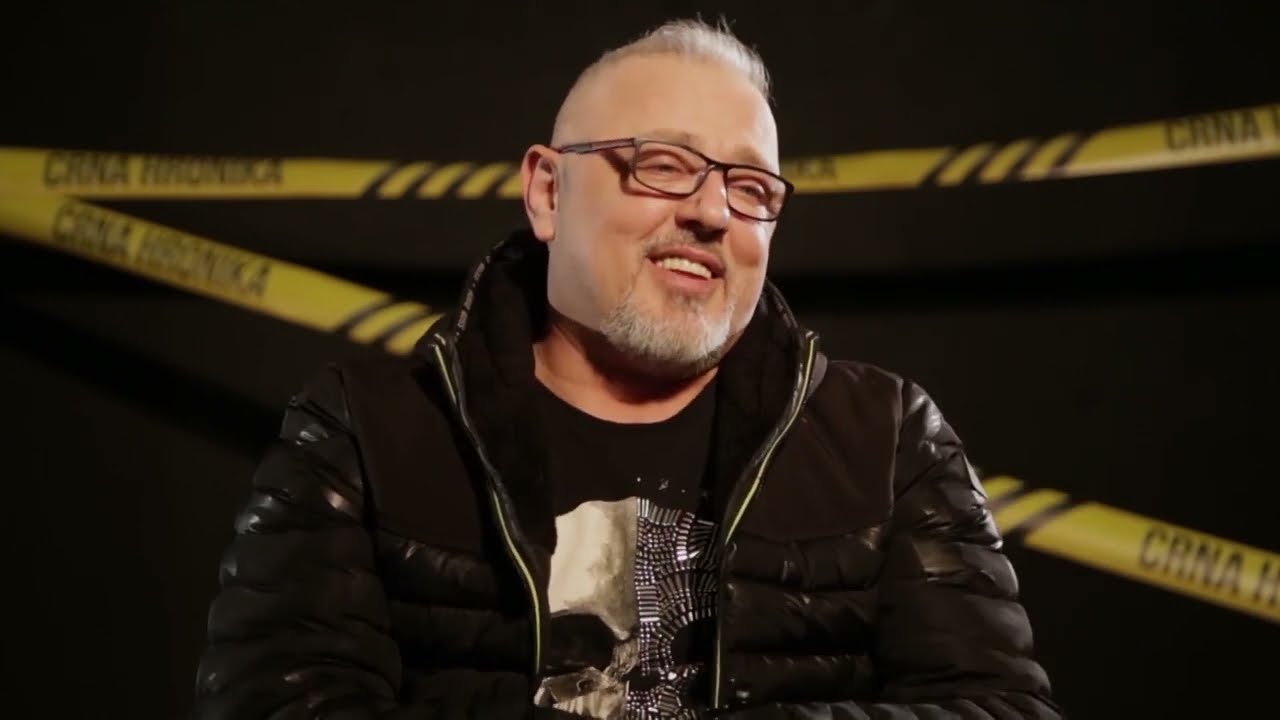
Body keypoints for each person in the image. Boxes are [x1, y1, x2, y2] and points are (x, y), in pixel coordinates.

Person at [193, 17, 1060, 720]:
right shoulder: (362, 433)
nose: (714, 212)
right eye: (664, 166)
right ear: (548, 193)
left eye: (752, 189)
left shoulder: (889, 437)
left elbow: (999, 708)